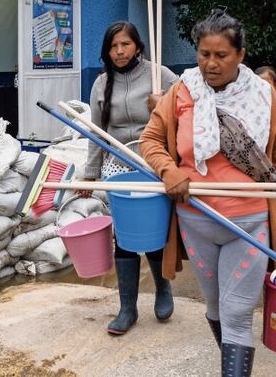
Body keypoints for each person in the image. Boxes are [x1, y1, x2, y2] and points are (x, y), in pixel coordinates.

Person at [141, 9, 276, 377]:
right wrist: (169, 170)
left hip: (248, 222)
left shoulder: (264, 96)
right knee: (216, 308)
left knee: (236, 312)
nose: (210, 64)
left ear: (240, 55)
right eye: (204, 54)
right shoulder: (181, 91)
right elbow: (150, 140)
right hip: (195, 220)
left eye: (221, 55)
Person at [85, 21, 178, 335]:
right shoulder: (101, 83)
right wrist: (89, 174)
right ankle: (127, 309)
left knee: (151, 233)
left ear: (138, 46)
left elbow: (189, 107)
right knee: (124, 236)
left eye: (125, 44)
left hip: (153, 165)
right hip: (118, 167)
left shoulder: (160, 75)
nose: (119, 51)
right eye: (113, 46)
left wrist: (164, 102)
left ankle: (163, 289)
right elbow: (95, 134)